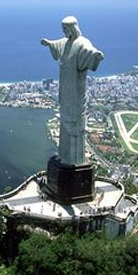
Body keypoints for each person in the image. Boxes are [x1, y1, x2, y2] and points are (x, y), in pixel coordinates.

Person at [41, 16, 104, 165]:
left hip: (76, 91)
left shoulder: (82, 42)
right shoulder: (65, 42)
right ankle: (63, 156)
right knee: (64, 123)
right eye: (63, 29)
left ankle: (74, 159)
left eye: (65, 29)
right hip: (65, 89)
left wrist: (96, 56)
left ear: (72, 28)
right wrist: (49, 43)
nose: (63, 31)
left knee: (75, 124)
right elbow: (57, 45)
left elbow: (90, 52)